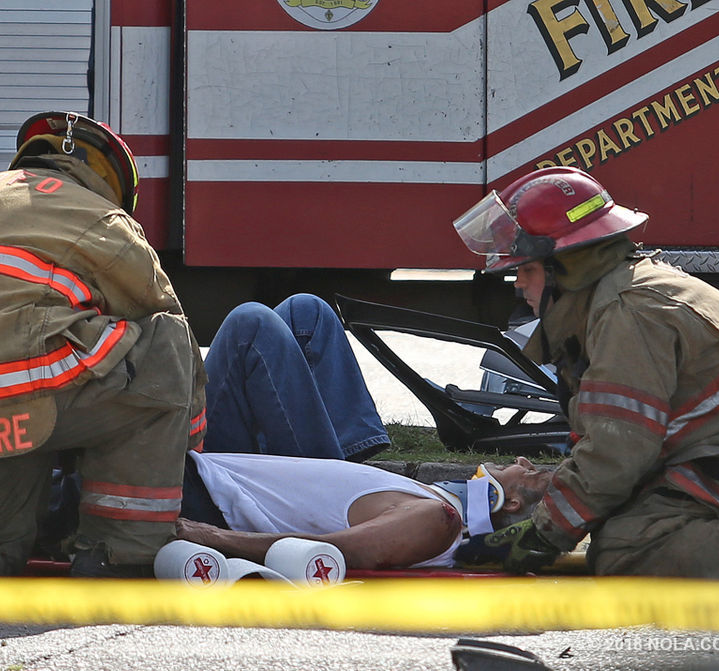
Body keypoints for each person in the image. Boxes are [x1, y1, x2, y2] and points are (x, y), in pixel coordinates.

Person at [453, 166, 719, 581]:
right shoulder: (625, 293)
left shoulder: (628, 311)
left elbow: (617, 450)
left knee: (624, 548)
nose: (516, 285)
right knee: (621, 520)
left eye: (525, 270)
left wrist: (541, 535)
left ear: (566, 268)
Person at [0, 112, 206, 578]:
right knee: (162, 341)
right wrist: (189, 439)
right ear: (109, 180)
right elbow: (173, 331)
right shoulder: (103, 220)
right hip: (34, 393)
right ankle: (117, 553)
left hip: (14, 414)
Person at [176, 452, 551, 569]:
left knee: (253, 322)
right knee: (306, 312)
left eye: (531, 470)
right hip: (217, 471)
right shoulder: (441, 504)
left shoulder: (439, 519)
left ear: (512, 502)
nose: (521, 459)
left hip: (205, 493)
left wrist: (211, 537)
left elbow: (335, 551)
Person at [202, 294, 390, 462]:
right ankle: (324, 482)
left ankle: (346, 462)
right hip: (187, 448)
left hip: (192, 406)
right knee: (249, 322)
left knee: (306, 309)